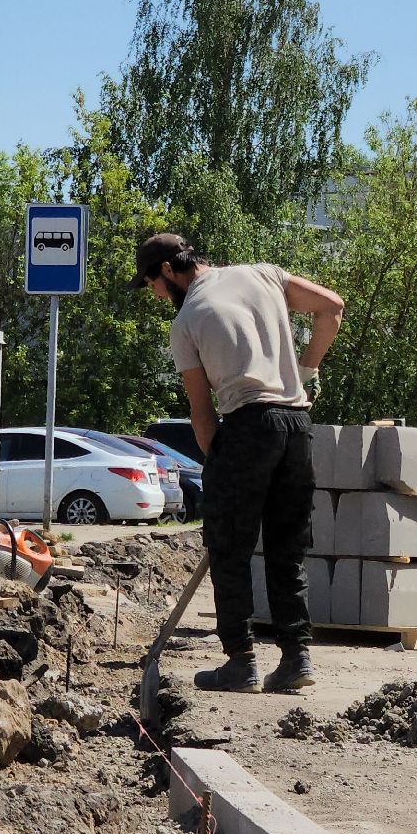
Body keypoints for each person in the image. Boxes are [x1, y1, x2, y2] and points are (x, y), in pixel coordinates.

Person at [136, 233, 345, 693]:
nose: (154, 293)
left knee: (228, 546)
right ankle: (296, 658)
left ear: (169, 271)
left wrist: (217, 460)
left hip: (248, 424)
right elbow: (332, 306)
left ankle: (240, 661)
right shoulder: (263, 275)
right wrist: (307, 371)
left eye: (151, 282)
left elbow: (201, 410)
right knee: (287, 550)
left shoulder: (187, 319)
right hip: (297, 426)